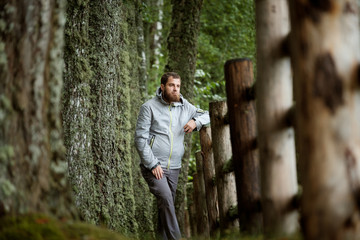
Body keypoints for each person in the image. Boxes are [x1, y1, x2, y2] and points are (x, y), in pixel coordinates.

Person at [135, 72, 210, 240]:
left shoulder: (185, 106)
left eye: (177, 86)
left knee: (165, 206)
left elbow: (207, 114)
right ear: (162, 87)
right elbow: (140, 139)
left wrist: (195, 122)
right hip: (153, 166)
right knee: (167, 199)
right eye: (171, 85)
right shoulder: (149, 107)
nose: (175, 89)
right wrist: (153, 164)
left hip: (174, 167)